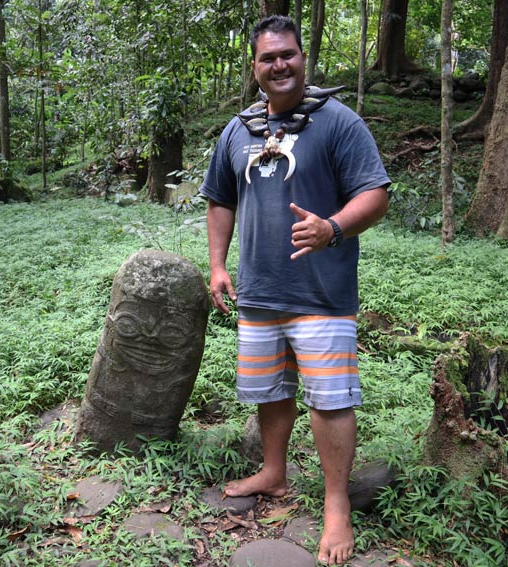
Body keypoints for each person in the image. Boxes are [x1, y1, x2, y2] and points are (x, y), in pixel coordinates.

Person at [199, 15, 390, 566]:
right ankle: (274, 472)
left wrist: (332, 227)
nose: (279, 64)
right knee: (271, 389)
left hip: (320, 292)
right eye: (267, 57)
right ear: (255, 67)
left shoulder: (338, 123)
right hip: (258, 292)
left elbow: (374, 195)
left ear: (303, 57)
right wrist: (217, 266)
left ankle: (336, 505)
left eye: (288, 54)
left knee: (329, 401)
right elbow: (220, 200)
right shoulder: (238, 130)